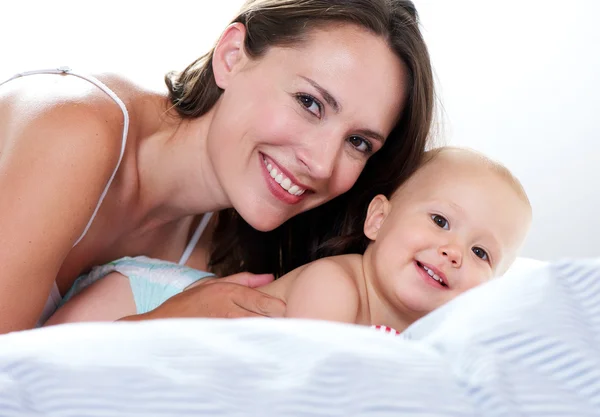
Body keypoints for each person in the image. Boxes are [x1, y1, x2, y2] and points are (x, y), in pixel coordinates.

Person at [0, 0, 435, 333]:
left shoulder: (229, 256)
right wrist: (158, 327)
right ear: (231, 57)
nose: (321, 164)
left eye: (358, 142)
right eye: (310, 103)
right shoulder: (73, 129)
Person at [46, 147, 532, 332]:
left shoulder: (430, 337)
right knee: (40, 372)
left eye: (481, 252)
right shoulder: (335, 287)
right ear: (378, 220)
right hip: (146, 296)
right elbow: (304, 380)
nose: (453, 252)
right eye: (441, 222)